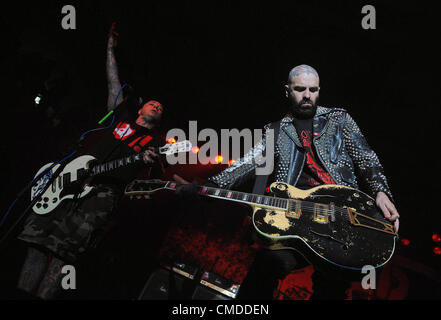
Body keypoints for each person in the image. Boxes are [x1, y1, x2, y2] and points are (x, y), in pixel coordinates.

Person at [201, 64, 400, 299]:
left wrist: (380, 190)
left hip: (340, 216)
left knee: (331, 289)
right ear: (287, 91)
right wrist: (209, 184)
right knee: (267, 266)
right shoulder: (275, 131)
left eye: (313, 90)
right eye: (300, 89)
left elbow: (366, 157)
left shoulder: (339, 119)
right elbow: (248, 163)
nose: (307, 95)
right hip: (295, 217)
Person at [16, 24, 165, 299]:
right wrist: (110, 46)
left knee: (62, 255)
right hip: (68, 181)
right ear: (141, 106)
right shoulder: (118, 115)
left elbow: (147, 183)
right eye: (153, 103)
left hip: (100, 196)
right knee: (36, 245)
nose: (157, 106)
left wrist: (147, 160)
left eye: (161, 108)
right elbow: (112, 80)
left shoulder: (153, 144)